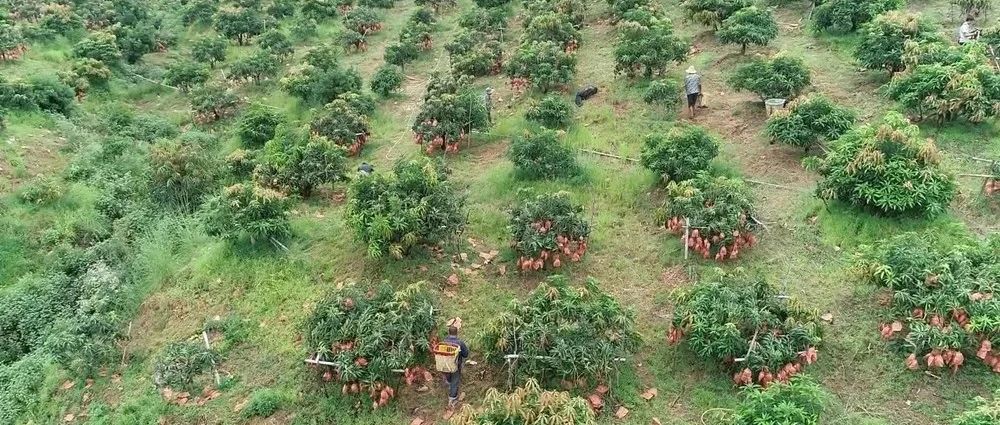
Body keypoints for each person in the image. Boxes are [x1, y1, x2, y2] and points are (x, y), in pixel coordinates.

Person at [442, 325, 469, 410]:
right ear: (457, 333)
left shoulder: (444, 342)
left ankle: (448, 382)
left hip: (444, 365)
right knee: (455, 381)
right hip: (455, 366)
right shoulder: (460, 343)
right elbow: (465, 354)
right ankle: (452, 400)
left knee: (449, 377)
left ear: (448, 333)